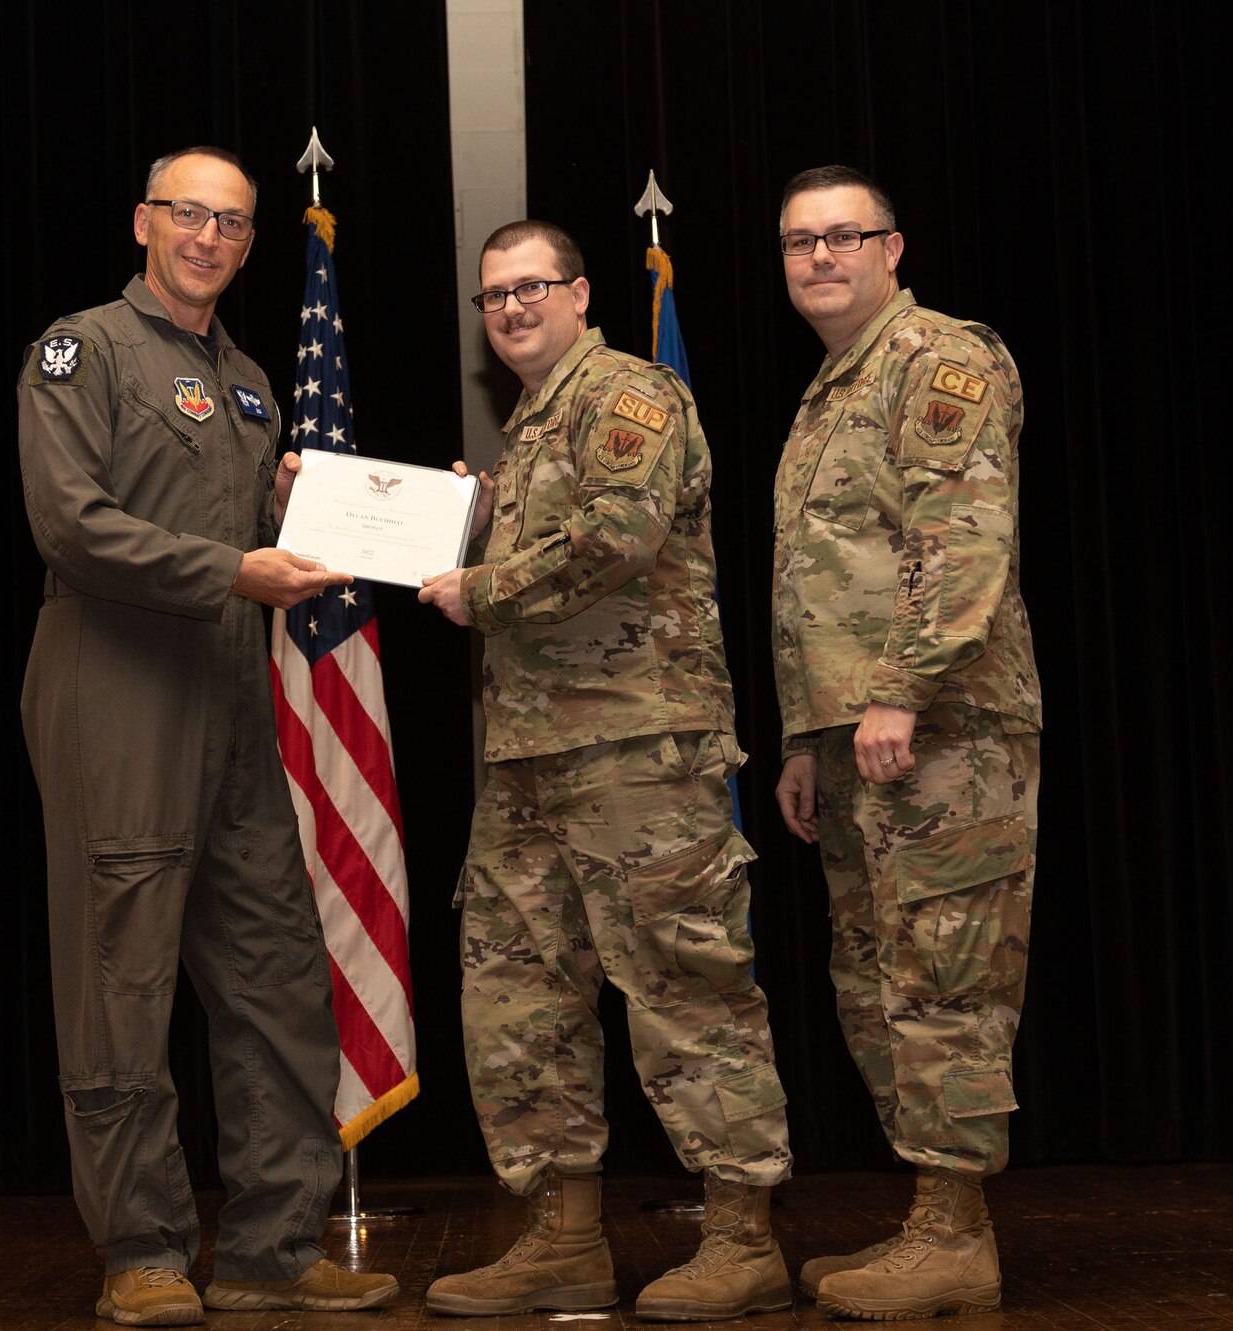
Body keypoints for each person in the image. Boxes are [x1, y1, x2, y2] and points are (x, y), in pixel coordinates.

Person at [17, 145, 397, 1326]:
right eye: (188, 214)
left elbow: (250, 541)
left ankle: (272, 1250)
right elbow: (72, 525)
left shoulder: (244, 381)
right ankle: (140, 1246)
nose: (208, 238)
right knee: (120, 980)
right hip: (117, 686)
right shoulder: (79, 350)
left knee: (278, 976)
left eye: (231, 224)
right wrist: (232, 563)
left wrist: (293, 510)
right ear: (144, 221)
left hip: (233, 696)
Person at [417, 220, 793, 1321]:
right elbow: (550, 537)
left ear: (582, 294)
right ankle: (563, 1237)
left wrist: (476, 586)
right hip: (527, 756)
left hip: (637, 747)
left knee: (685, 986)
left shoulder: (629, 395)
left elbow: (616, 535)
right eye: (493, 296)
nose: (513, 308)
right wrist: (454, 517)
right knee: (517, 997)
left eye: (532, 286)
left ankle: (740, 1236)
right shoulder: (529, 427)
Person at [768, 165, 1042, 1321]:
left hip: (943, 730)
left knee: (945, 974)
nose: (819, 258)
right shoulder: (835, 385)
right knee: (875, 978)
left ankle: (952, 1235)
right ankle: (933, 1221)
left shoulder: (940, 357)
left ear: (890, 247)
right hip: (855, 734)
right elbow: (821, 579)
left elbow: (960, 539)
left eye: (843, 236)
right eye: (797, 242)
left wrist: (899, 692)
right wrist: (803, 734)